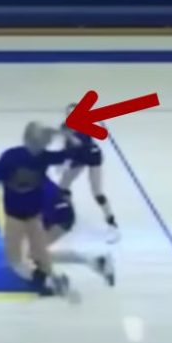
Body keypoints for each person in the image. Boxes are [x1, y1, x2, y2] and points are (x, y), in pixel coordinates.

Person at [0, 121, 73, 296]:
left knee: (32, 254)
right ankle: (44, 278)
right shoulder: (13, 158)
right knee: (22, 256)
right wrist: (67, 137)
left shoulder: (38, 157)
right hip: (19, 216)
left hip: (31, 215)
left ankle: (47, 279)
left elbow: (68, 155)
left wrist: (67, 137)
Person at [58, 102, 119, 243]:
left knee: (97, 192)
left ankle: (111, 222)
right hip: (78, 158)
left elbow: (77, 145)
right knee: (62, 187)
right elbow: (67, 146)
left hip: (92, 158)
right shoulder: (64, 127)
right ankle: (69, 217)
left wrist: (67, 160)